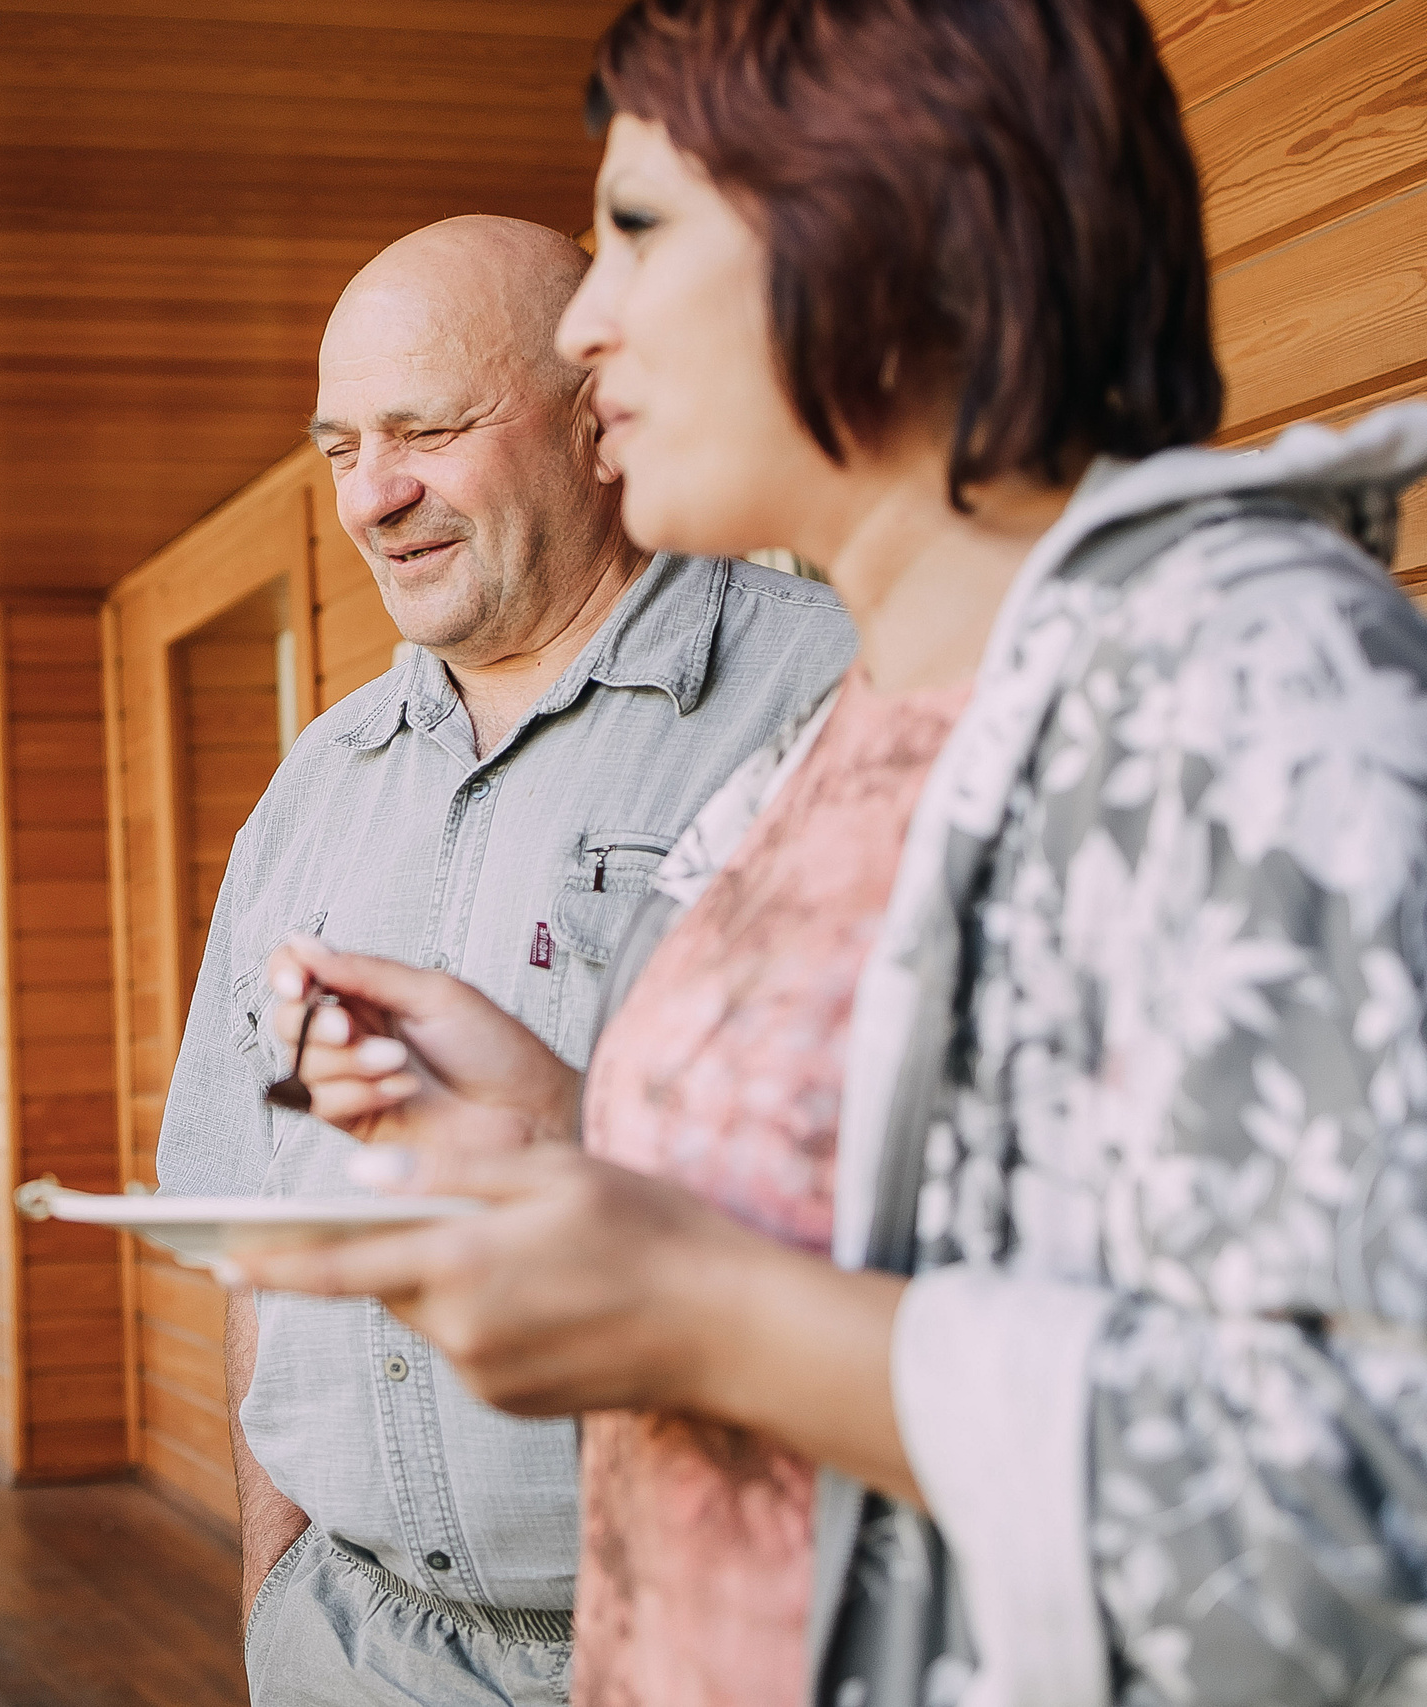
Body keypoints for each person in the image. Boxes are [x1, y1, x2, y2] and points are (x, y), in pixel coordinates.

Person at [234, 3, 1427, 1704]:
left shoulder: (1253, 684)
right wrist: (561, 1135)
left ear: (899, 224)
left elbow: (1369, 1515)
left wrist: (707, 1311)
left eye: (637, 229)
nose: (586, 322)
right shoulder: (868, 717)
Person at [154, 213, 854, 1707]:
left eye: (429, 429)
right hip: (344, 1638)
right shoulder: (314, 786)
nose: (371, 495)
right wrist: (274, 1579)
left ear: (599, 411)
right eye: (340, 445)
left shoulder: (827, 697)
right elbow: (254, 1238)